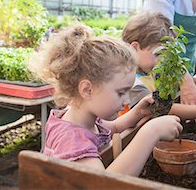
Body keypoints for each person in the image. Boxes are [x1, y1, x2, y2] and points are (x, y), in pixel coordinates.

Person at [28, 24, 182, 177]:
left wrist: (138, 112)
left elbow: (114, 127)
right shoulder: (73, 141)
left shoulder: (83, 117)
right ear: (87, 90)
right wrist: (151, 132)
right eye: (121, 93)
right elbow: (105, 184)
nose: (127, 100)